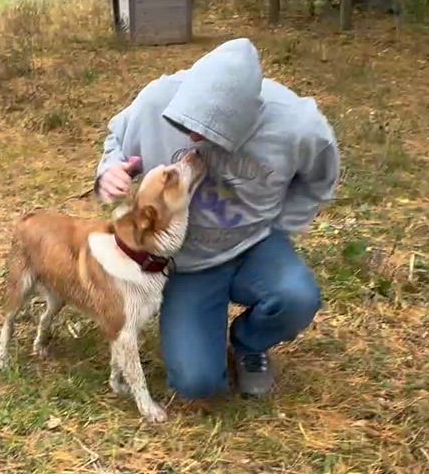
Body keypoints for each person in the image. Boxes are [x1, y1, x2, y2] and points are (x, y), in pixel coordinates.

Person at [94, 38, 339, 399]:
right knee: (197, 385)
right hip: (189, 263)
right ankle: (202, 337)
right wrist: (110, 170)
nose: (194, 136)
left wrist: (281, 229)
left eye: (208, 133)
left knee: (297, 297)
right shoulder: (157, 99)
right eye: (186, 125)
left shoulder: (299, 126)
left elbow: (319, 179)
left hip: (255, 244)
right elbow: (117, 140)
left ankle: (250, 344)